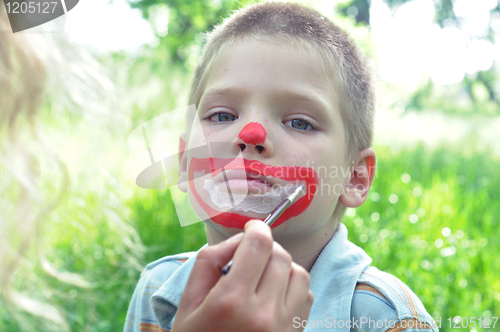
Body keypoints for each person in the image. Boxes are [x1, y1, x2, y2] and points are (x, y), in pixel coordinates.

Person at [125, 2, 438, 332]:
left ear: (354, 177)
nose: (251, 135)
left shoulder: (388, 319)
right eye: (222, 116)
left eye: (300, 123)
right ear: (186, 163)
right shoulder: (154, 287)